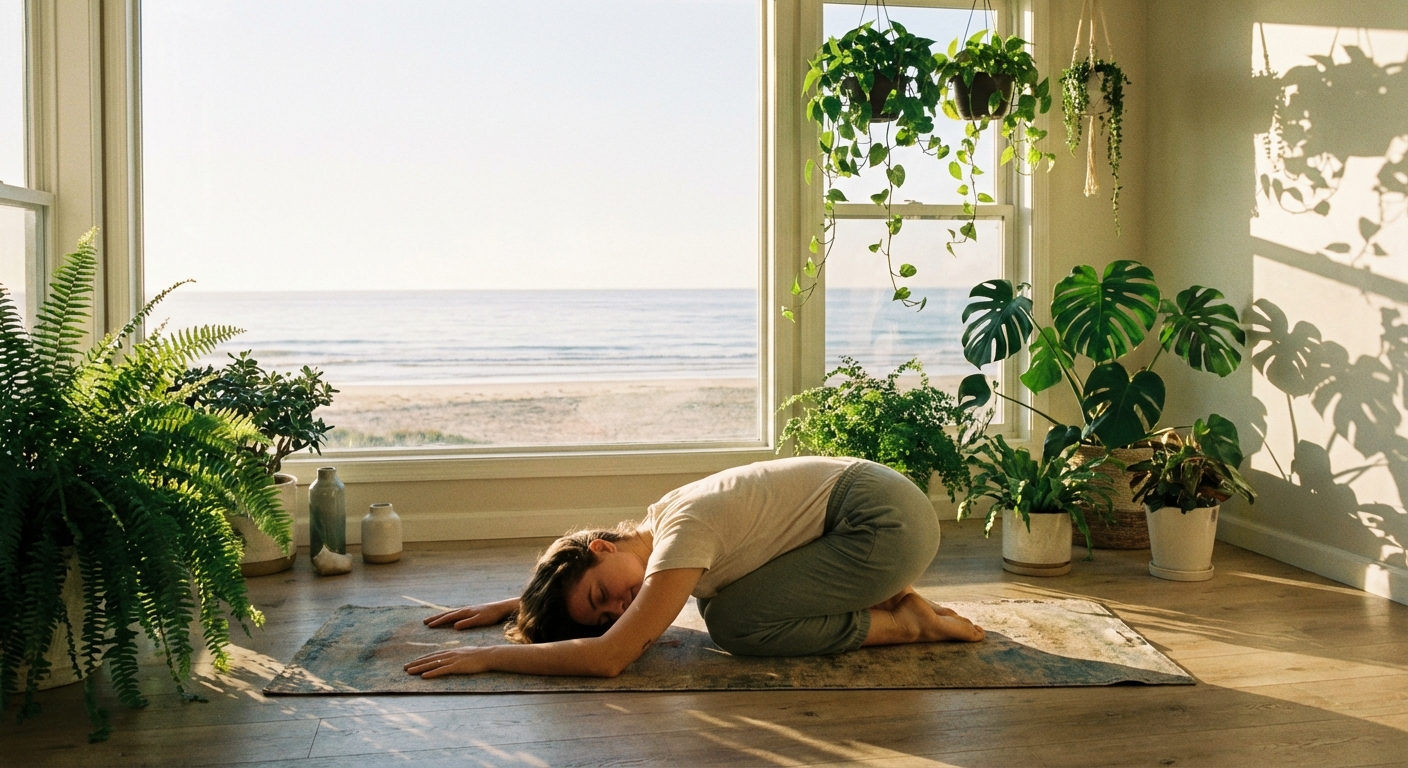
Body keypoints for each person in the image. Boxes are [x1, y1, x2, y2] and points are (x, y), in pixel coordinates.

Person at [404, 456, 985, 680]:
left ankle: (907, 623)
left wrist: (487, 657)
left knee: (734, 623)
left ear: (602, 548)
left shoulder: (679, 534)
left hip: (886, 526)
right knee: (721, 600)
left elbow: (611, 656)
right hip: (878, 509)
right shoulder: (654, 526)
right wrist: (520, 605)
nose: (620, 609)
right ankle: (890, 597)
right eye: (605, 613)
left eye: (604, 594)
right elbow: (601, 601)